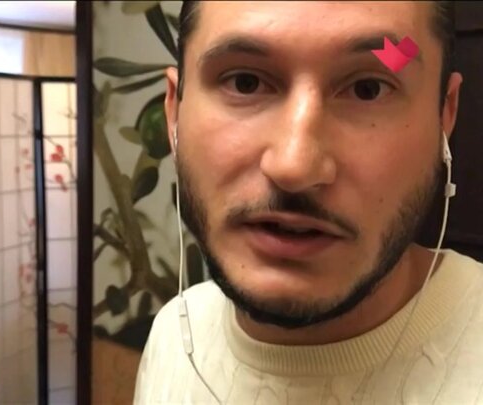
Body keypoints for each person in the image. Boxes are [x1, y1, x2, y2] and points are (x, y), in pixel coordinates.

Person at [134, 1, 483, 404]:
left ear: (445, 115)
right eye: (245, 82)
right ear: (175, 113)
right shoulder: (175, 338)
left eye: (368, 89)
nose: (295, 166)